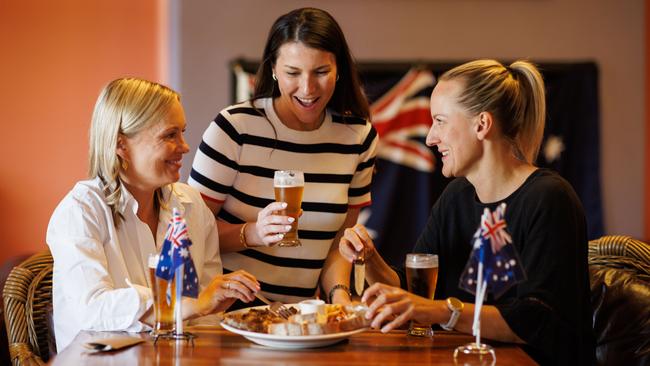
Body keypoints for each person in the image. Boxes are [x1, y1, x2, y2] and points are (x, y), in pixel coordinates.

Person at [338, 60, 595, 364]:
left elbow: (536, 319)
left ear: (481, 125)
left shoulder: (549, 198)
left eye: (440, 121)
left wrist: (440, 310)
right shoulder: (457, 196)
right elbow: (414, 294)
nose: (431, 137)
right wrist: (369, 259)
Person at [47, 78, 260, 351]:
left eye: (182, 132)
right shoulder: (80, 210)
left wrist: (216, 302)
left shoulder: (191, 205)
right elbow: (91, 310)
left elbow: (204, 317)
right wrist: (187, 305)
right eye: (170, 135)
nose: (185, 146)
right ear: (121, 145)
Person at [189, 7, 377, 306]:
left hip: (299, 317)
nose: (308, 88)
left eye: (321, 72)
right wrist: (253, 233)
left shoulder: (358, 137)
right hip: (223, 310)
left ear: (339, 69)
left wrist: (340, 297)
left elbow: (336, 247)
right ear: (274, 70)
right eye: (293, 73)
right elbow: (189, 233)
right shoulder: (235, 127)